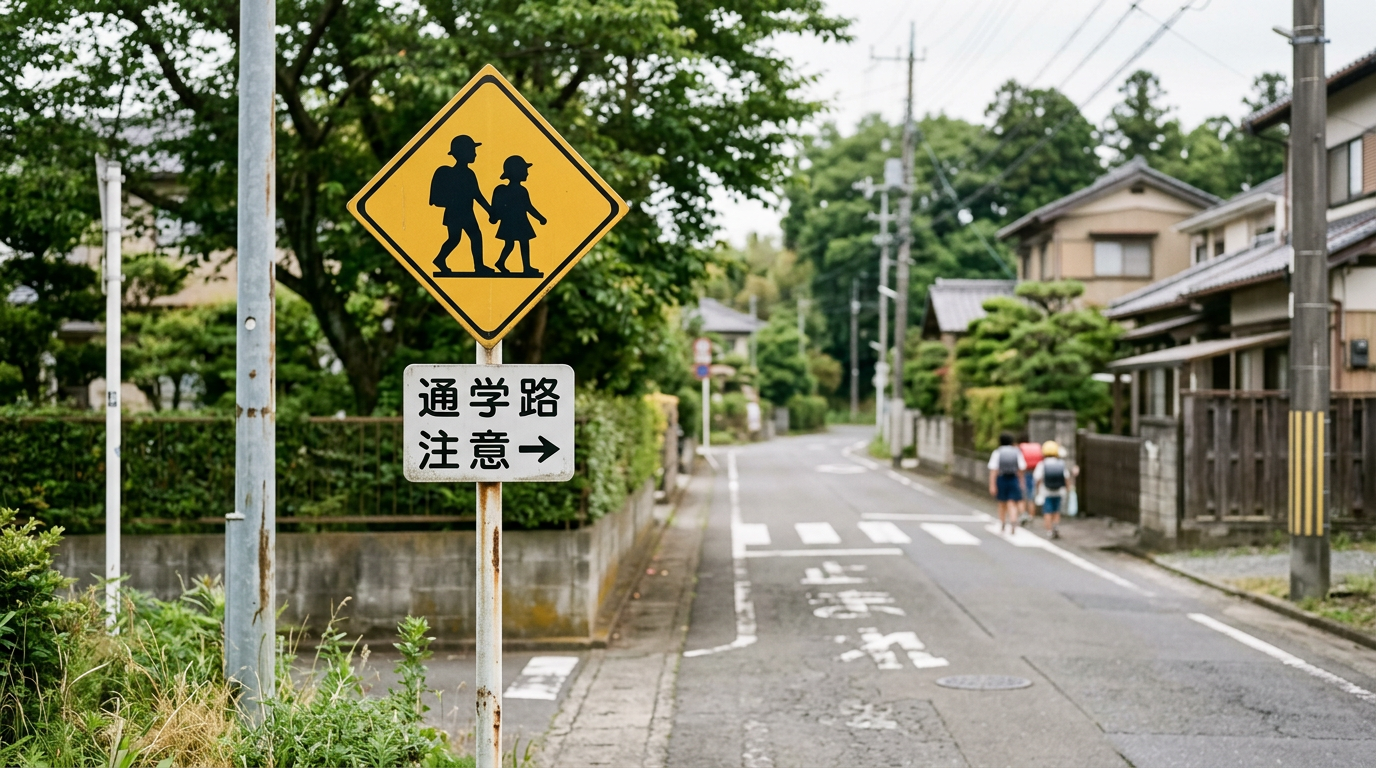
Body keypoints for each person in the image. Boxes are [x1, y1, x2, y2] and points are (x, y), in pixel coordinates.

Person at [429, 135, 493, 275]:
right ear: (463, 152)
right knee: (474, 236)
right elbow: (477, 195)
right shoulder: (466, 174)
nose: (475, 153)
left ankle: (440, 259)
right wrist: (490, 211)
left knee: (455, 238)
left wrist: (490, 211)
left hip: (458, 212)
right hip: (461, 213)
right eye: (472, 150)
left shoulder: (468, 173)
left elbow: (476, 194)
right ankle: (479, 266)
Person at [489, 155, 547, 276]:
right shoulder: (520, 190)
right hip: (517, 222)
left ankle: (519, 265)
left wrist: (540, 217)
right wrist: (540, 218)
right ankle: (518, 265)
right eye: (525, 170)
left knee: (513, 244)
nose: (527, 174)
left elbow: (528, 207)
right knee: (519, 243)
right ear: (517, 172)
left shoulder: (519, 190)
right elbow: (528, 207)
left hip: (516, 222)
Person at [987, 432, 1026, 534]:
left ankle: (1003, 522)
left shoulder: (997, 452)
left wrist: (992, 485)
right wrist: (1021, 482)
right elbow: (1021, 468)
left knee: (1001, 503)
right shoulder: (1016, 452)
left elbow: (993, 470)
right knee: (1012, 502)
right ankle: (1013, 521)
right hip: (1013, 478)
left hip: (1001, 478)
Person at [1033, 440, 1073, 539]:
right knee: (1056, 511)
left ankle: (1049, 531)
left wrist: (1037, 490)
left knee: (1047, 511)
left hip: (1046, 492)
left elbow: (1037, 479)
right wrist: (1068, 489)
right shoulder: (1060, 463)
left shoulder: (1042, 464)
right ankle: (1056, 526)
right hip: (1059, 492)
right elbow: (1066, 478)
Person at [1018, 437, 1043, 524]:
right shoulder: (1035, 449)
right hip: (1034, 473)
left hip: (1024, 474)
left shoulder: (1021, 449)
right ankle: (1031, 516)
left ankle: (1023, 514)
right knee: (1031, 497)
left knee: (1022, 496)